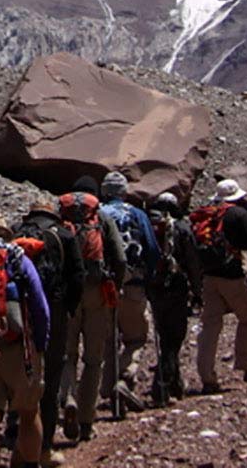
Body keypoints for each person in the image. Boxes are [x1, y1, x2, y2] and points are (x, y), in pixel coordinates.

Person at [0, 211, 49, 468]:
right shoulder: (17, 258)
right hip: (20, 346)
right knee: (29, 413)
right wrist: (40, 343)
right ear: (4, 232)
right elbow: (39, 304)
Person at [12, 197, 82, 466]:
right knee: (50, 383)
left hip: (20, 314)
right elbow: (77, 275)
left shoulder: (18, 232)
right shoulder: (64, 234)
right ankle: (44, 449)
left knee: (19, 378)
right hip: (54, 312)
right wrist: (69, 308)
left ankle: (18, 441)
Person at [56, 177, 125, 444]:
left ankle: (68, 397)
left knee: (67, 354)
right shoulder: (102, 217)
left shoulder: (59, 215)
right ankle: (86, 420)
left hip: (67, 293)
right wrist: (115, 288)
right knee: (94, 359)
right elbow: (119, 258)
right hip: (97, 292)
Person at [95, 171, 158, 412]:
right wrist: (150, 277)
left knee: (108, 339)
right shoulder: (137, 214)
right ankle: (124, 378)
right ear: (123, 192)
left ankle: (106, 386)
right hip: (134, 285)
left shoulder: (96, 215)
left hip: (103, 287)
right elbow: (151, 248)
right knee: (136, 338)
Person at [193, 179, 247, 393]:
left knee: (210, 325)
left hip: (208, 276)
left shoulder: (206, 213)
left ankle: (207, 377)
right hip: (232, 275)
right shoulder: (238, 214)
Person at [142, 191, 202, 406]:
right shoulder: (182, 228)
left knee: (164, 334)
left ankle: (175, 383)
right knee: (174, 338)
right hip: (176, 287)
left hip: (154, 288)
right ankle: (162, 385)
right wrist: (198, 291)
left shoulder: (148, 226)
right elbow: (193, 262)